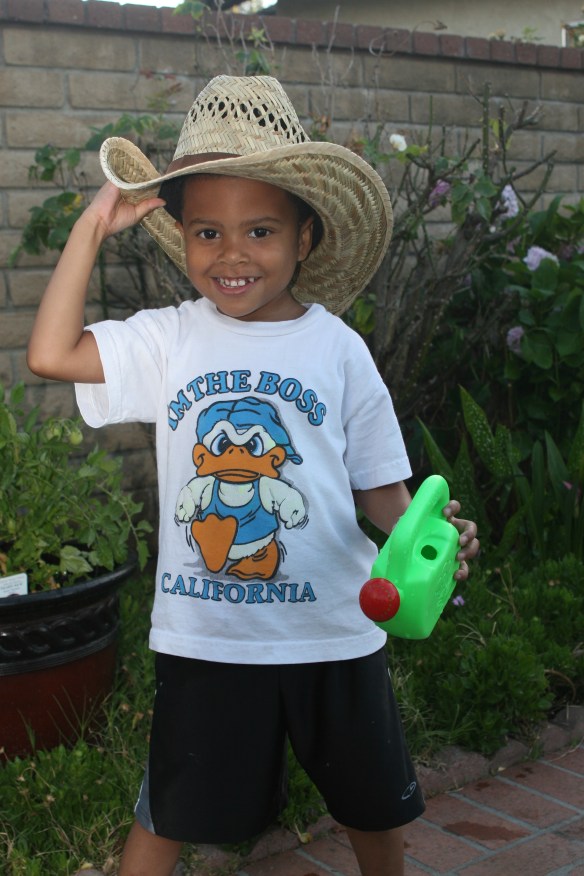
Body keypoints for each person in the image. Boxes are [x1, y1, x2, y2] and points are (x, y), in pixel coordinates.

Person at [28, 75, 479, 876]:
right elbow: (51, 354)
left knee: (372, 804)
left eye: (260, 230)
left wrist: (424, 537)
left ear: (305, 238)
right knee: (170, 806)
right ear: (182, 237)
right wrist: (96, 224)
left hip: (335, 632)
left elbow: (378, 484)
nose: (231, 255)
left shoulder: (337, 348)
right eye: (206, 232)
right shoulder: (169, 340)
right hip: (208, 640)